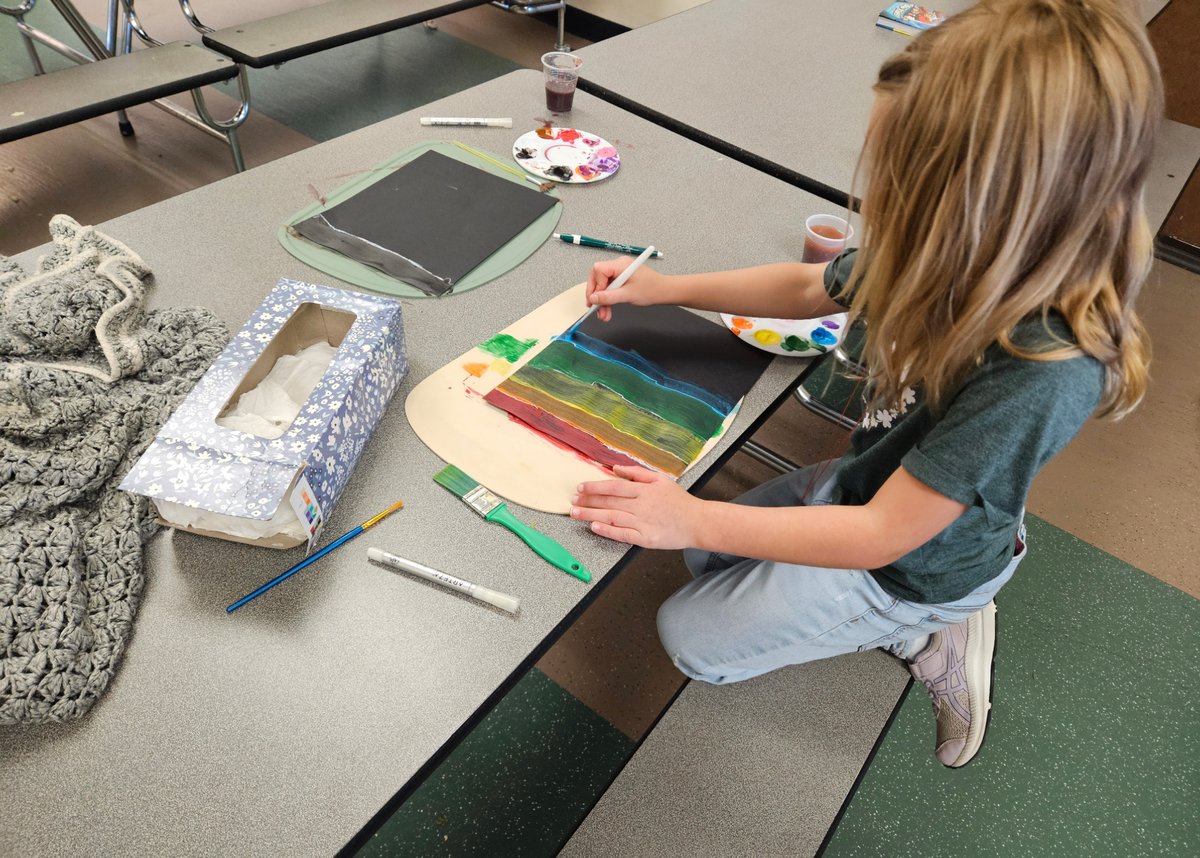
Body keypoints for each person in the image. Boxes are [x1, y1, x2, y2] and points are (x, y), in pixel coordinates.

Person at [569, 0, 1160, 768]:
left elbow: (883, 535)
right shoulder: (954, 247)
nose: (874, 202)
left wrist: (691, 517)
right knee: (703, 559)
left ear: (988, 203)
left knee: (691, 638)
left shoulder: (1045, 369)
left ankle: (934, 631)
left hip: (911, 566)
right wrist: (666, 287)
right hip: (872, 482)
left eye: (897, 184)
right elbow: (809, 287)